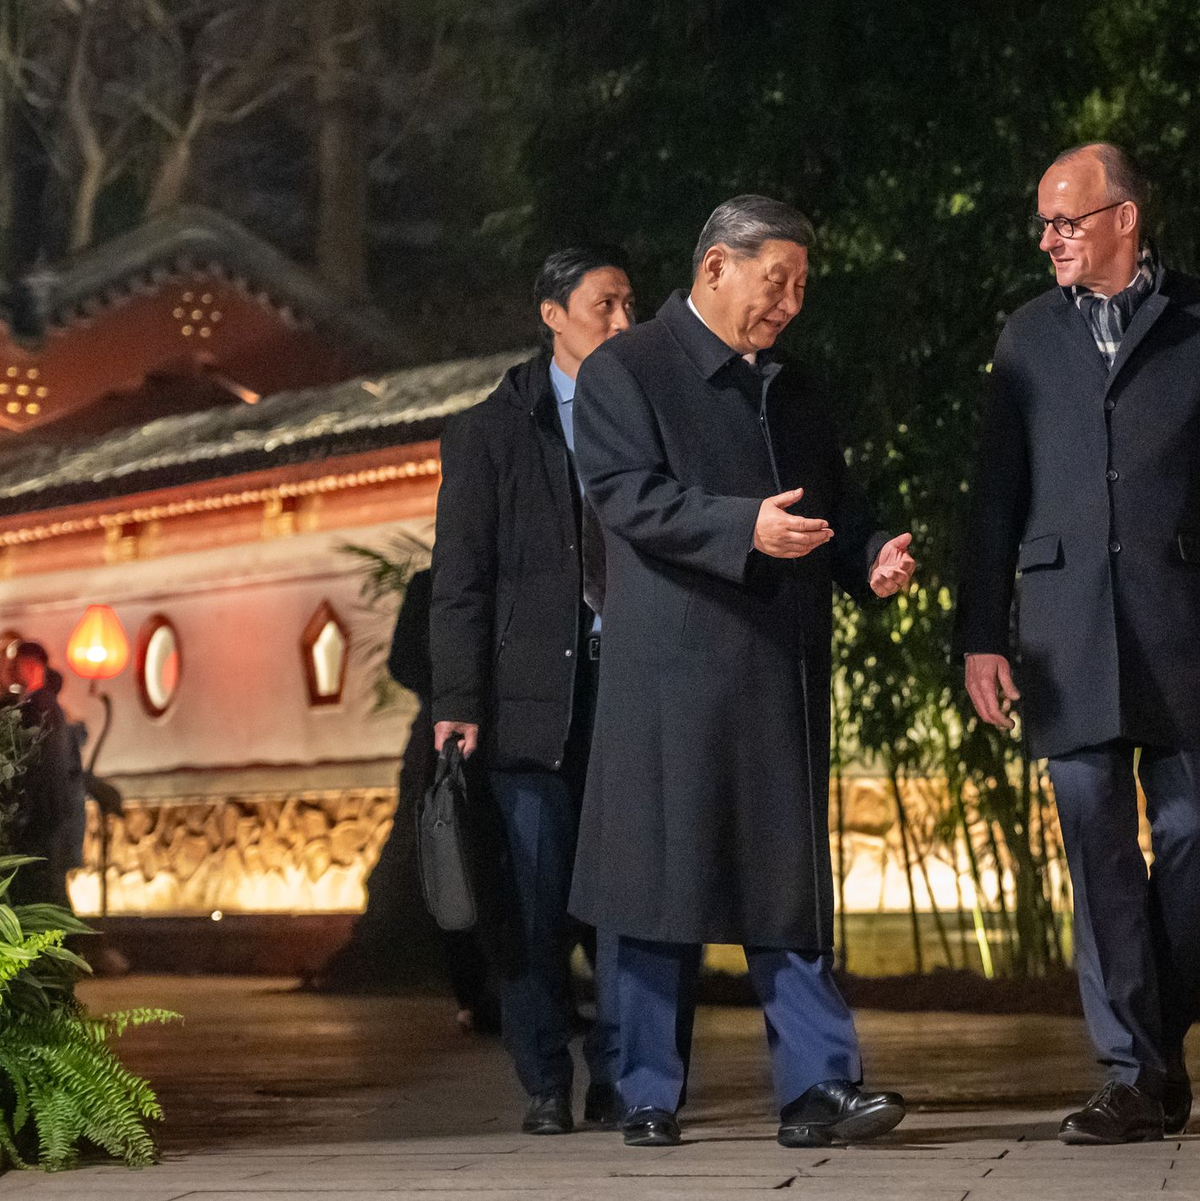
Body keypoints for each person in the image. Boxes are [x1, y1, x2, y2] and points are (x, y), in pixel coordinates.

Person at [571, 195, 917, 1149]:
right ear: (717, 266)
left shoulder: (796, 387)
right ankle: (644, 1089)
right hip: (667, 672)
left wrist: (870, 553)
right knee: (653, 883)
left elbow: (833, 504)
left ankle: (818, 1089)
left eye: (803, 287)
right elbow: (627, 497)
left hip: (778, 665)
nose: (792, 304)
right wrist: (744, 527)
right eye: (779, 282)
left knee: (785, 885)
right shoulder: (625, 369)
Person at [955, 143, 1200, 1146]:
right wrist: (978, 635)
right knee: (1097, 848)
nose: (1051, 239)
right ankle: (1135, 1072)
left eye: (1068, 221)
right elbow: (993, 498)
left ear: (1124, 219)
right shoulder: (1024, 337)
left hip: (1182, 626)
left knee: (1191, 836)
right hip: (1063, 636)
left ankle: (1162, 1025)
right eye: (1044, 225)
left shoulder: (1195, 324)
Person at [430, 246, 635, 1135]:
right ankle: (546, 1077)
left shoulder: (648, 414)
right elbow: (461, 580)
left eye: (632, 305)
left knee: (632, 902)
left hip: (631, 693)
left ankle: (626, 1076)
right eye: (606, 305)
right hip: (525, 709)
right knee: (531, 904)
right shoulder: (488, 431)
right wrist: (457, 705)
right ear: (552, 314)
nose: (624, 323)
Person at [10, 642, 76, 907]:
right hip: (51, 815)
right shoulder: (49, 708)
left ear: (30, 665)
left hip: (39, 816)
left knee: (43, 890)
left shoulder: (37, 709)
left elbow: (38, 767)